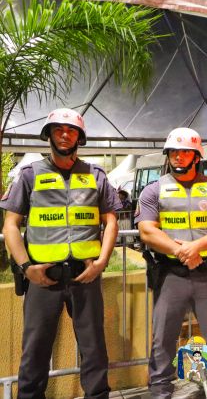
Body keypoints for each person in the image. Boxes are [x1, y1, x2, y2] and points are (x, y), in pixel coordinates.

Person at [1, 108, 119, 399]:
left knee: (94, 348)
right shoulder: (29, 175)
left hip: (85, 276)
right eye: (58, 130)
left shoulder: (95, 175)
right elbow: (11, 225)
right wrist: (26, 267)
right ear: (49, 135)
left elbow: (111, 221)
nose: (65, 135)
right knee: (35, 350)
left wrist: (102, 262)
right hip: (43, 278)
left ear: (80, 137)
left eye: (71, 131)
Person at [135, 128, 207, 399]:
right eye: (173, 152)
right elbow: (147, 230)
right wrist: (180, 251)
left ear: (196, 156)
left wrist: (196, 247)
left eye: (185, 152)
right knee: (163, 338)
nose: (178, 157)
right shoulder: (153, 190)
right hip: (170, 274)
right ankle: (160, 391)